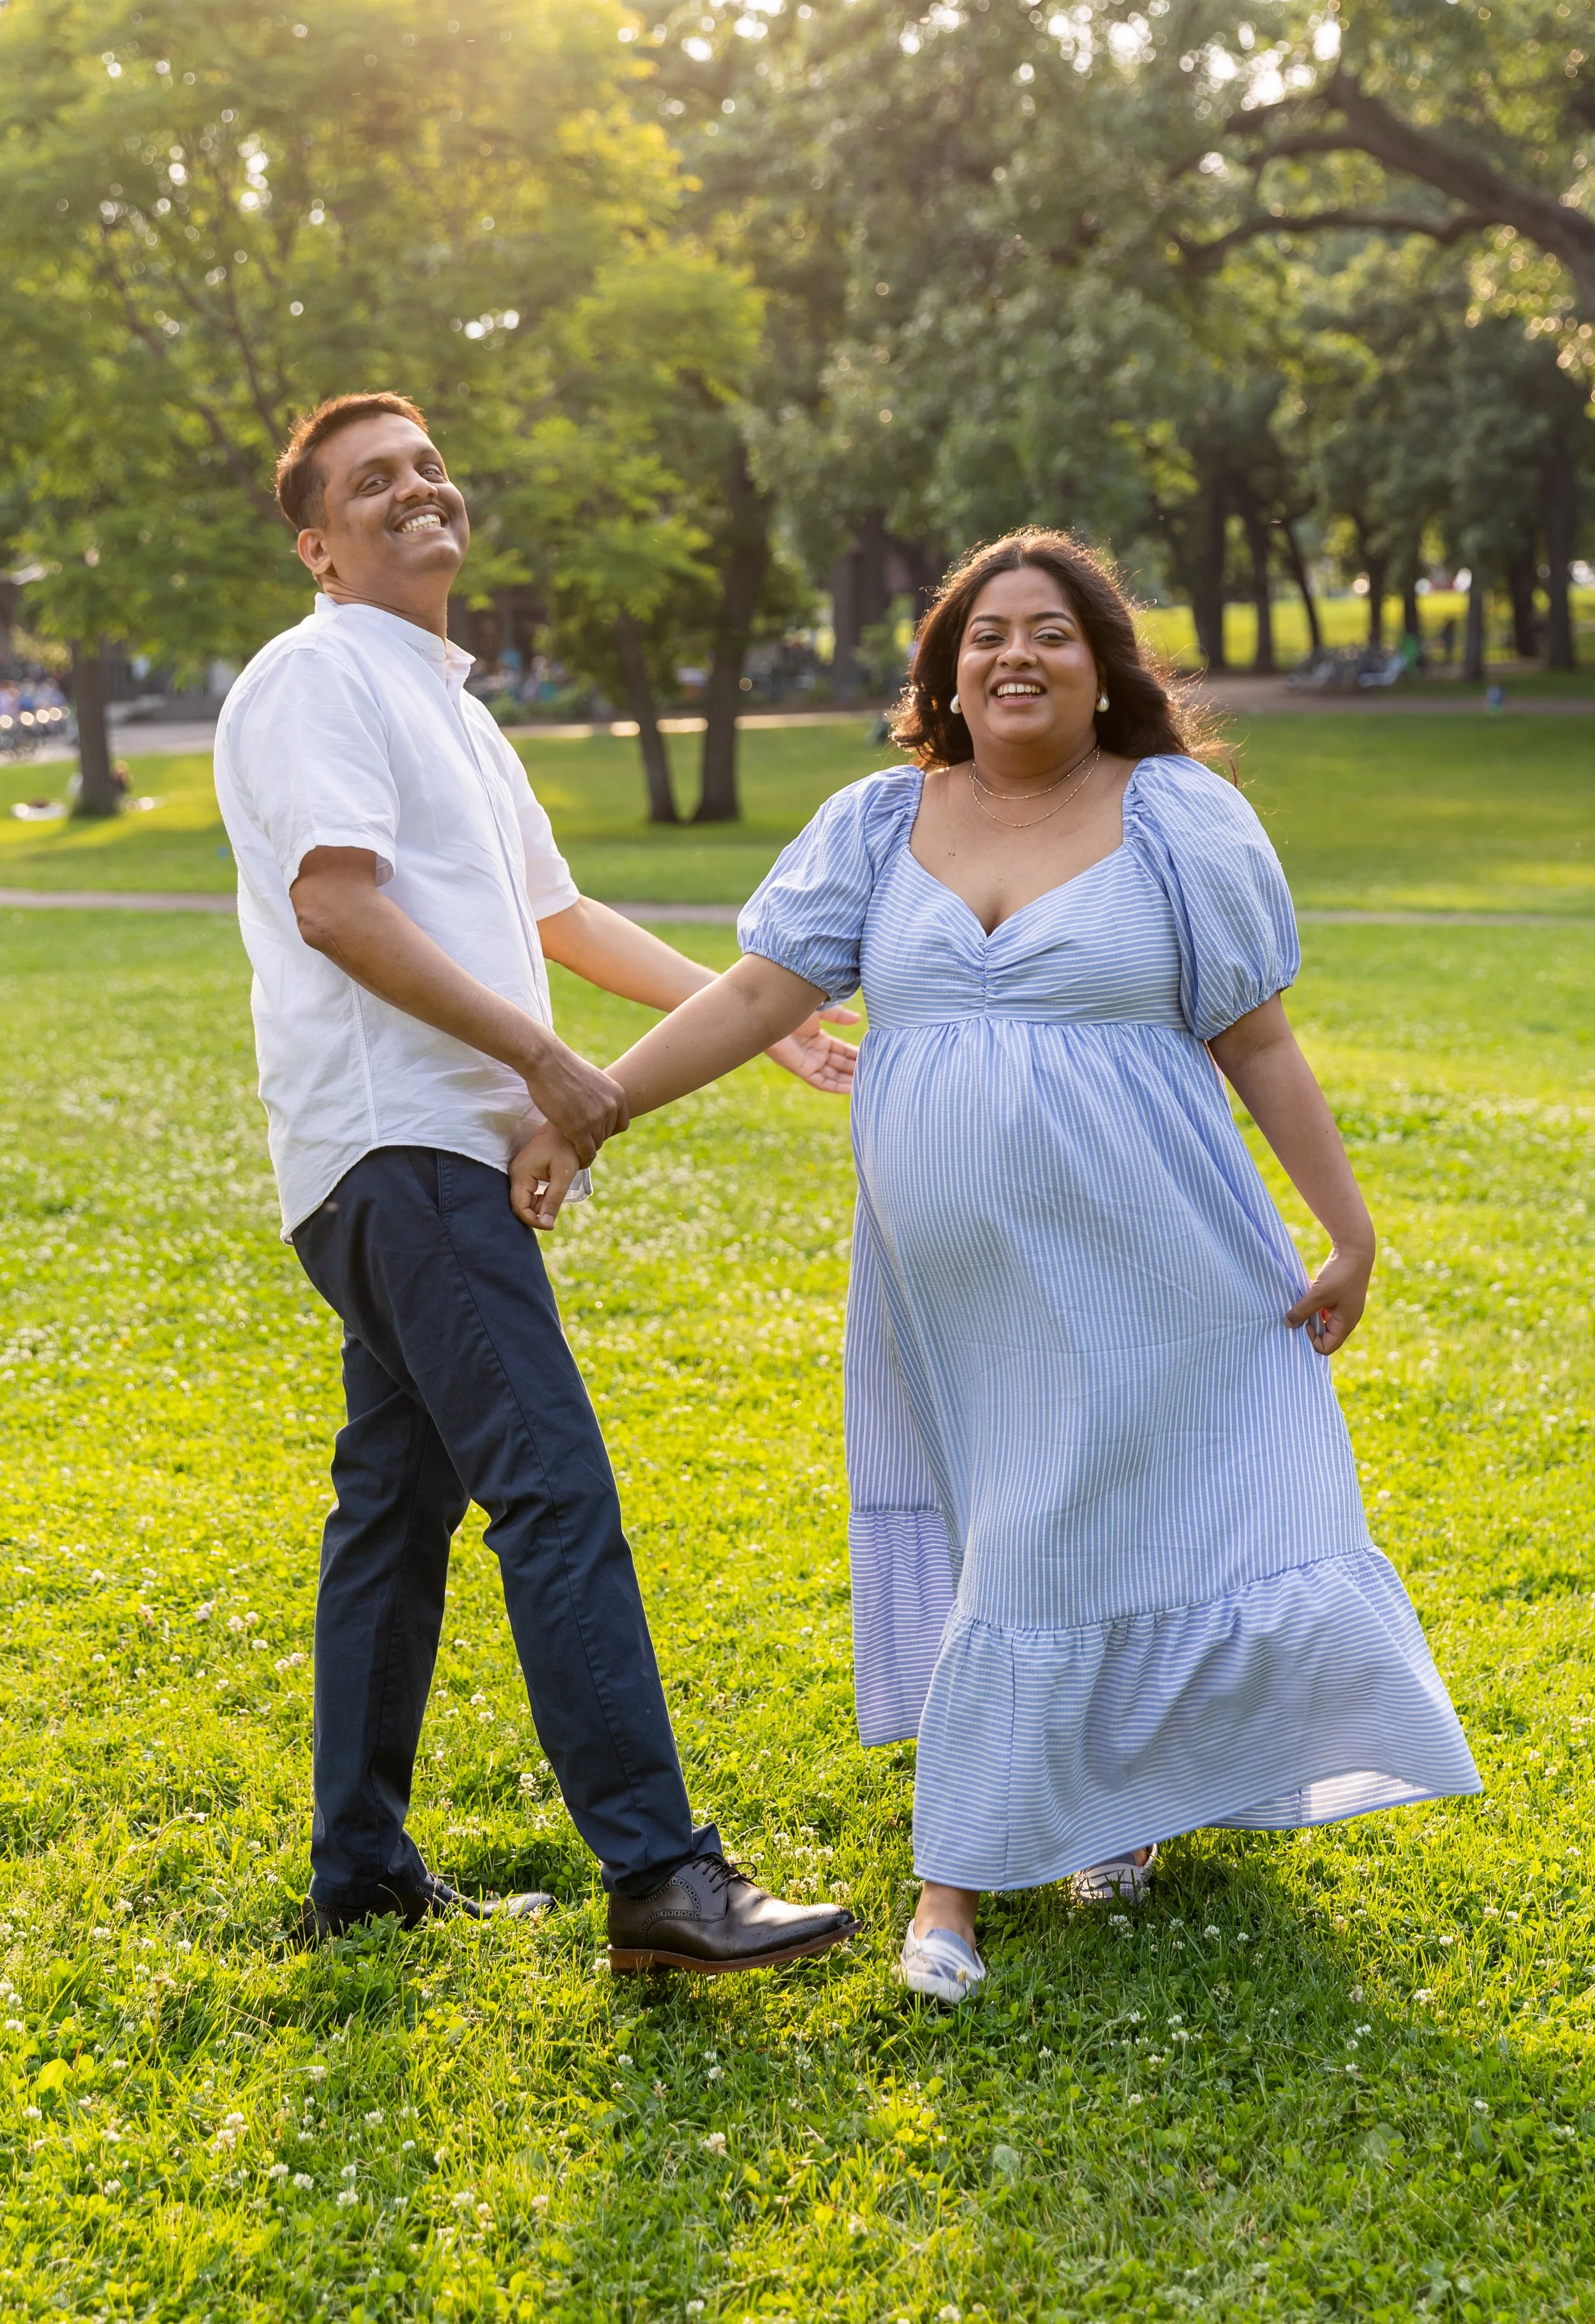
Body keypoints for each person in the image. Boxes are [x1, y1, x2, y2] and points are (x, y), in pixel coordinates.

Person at [514, 528, 1481, 2004]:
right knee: (1023, 1526)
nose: (1011, 655)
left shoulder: (1172, 817)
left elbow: (1257, 1037)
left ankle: (949, 1894)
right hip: (953, 1289)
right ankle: (1089, 1819)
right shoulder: (874, 825)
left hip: (1153, 1255)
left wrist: (1345, 1227)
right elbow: (760, 990)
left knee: (1101, 1520)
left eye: (1047, 632)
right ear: (943, 677)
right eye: (982, 635)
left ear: (1102, 672)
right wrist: (597, 1107)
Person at [213, 389, 860, 1973]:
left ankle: (358, 1871)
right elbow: (337, 908)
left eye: (427, 466)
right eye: (373, 482)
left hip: (415, 1159)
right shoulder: (313, 680)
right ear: (317, 542)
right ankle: (657, 1873)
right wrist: (542, 1063)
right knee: (552, 1491)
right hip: (403, 1150)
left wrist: (752, 1020)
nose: (416, 490)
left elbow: (560, 918)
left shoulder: (449, 701)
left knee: (394, 1507)